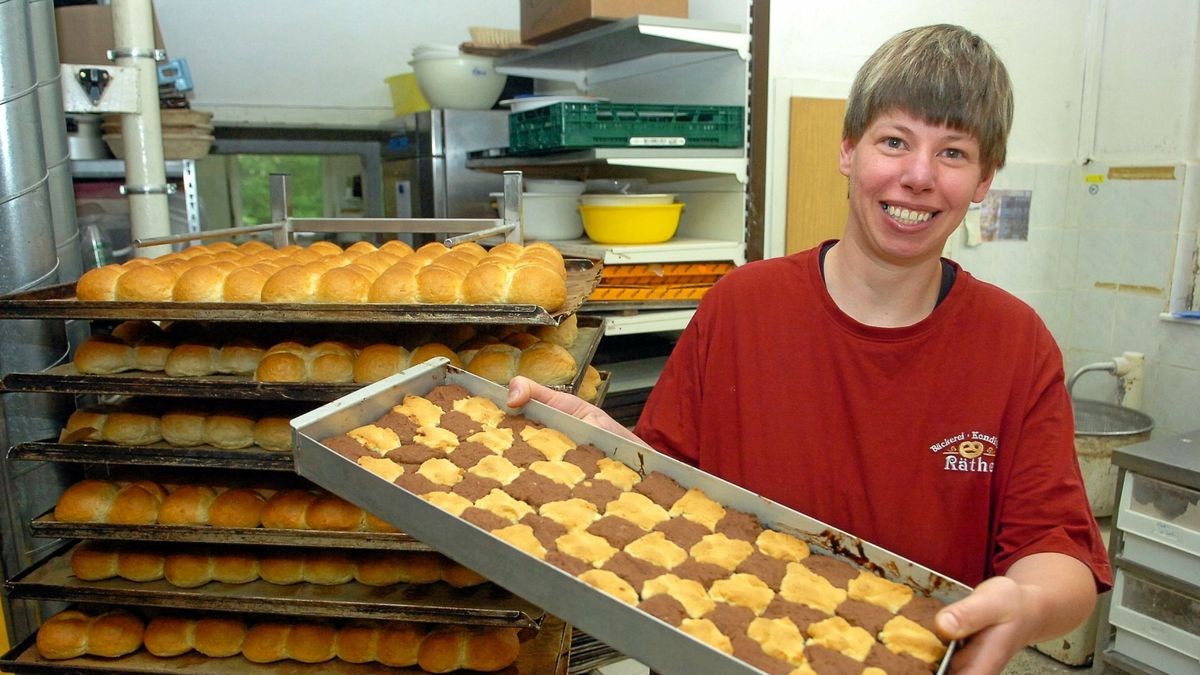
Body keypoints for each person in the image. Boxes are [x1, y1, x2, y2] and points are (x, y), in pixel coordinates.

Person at [507, 23, 1112, 674]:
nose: (917, 176)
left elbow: (1062, 550)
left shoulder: (1013, 345)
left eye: (954, 153)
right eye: (895, 141)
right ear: (849, 149)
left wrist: (1024, 601)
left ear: (985, 179)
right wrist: (605, 450)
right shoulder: (742, 308)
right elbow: (667, 487)